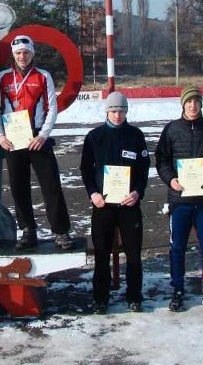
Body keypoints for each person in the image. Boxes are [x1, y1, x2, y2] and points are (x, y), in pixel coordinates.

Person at [155, 85, 203, 313]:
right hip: (179, 201)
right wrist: (171, 180)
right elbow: (162, 160)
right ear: (182, 104)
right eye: (188, 102)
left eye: (196, 101)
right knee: (177, 248)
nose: (192, 105)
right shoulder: (171, 130)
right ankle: (177, 290)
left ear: (201, 103)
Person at [0, 34, 73, 250]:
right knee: (18, 187)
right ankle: (28, 230)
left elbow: (52, 108)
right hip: (13, 137)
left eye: (26, 53)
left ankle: (61, 231)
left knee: (51, 185)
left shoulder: (43, 76)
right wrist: (0, 136)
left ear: (32, 54)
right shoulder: (3, 78)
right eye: (18, 53)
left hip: (37, 136)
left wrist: (43, 135)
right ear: (13, 55)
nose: (22, 57)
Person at [80, 92, 150, 314]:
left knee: (134, 255)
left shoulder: (136, 136)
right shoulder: (94, 136)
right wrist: (93, 193)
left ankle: (134, 297)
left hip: (129, 206)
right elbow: (85, 169)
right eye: (114, 111)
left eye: (121, 111)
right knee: (101, 254)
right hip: (103, 206)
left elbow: (144, 169)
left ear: (126, 111)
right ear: (107, 112)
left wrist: (138, 192)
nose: (118, 115)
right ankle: (101, 299)